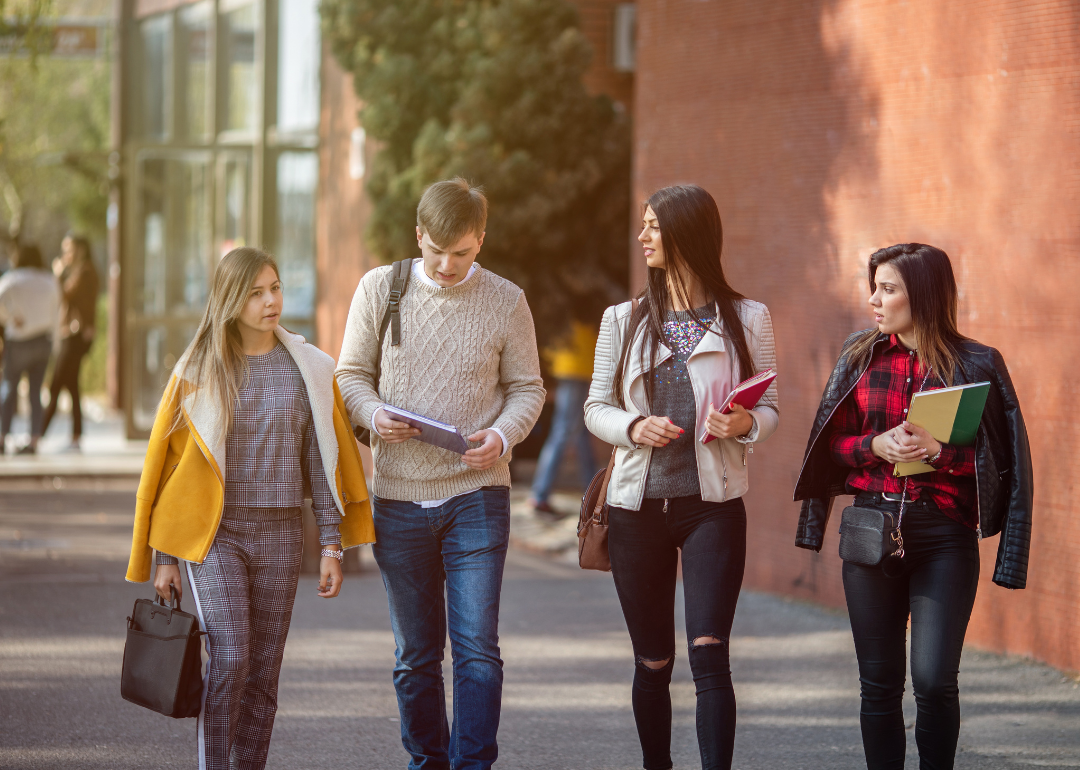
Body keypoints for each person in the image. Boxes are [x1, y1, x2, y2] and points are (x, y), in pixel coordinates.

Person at [126, 247, 374, 770]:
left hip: (281, 534)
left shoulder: (309, 367)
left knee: (263, 673)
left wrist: (331, 543)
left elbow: (322, 463)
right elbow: (171, 470)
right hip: (214, 535)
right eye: (257, 292)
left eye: (276, 288)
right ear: (231, 299)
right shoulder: (198, 369)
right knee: (231, 657)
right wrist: (164, 557)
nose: (271, 301)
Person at [793, 243, 1033, 770]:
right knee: (877, 685)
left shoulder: (977, 362)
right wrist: (873, 446)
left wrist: (939, 452)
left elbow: (1002, 460)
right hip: (870, 531)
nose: (875, 300)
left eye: (888, 288)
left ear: (921, 294)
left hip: (944, 537)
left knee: (933, 681)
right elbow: (827, 446)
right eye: (874, 287)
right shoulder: (859, 355)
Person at [336, 178, 545, 770]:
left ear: (481, 238)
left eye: (463, 252)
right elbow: (351, 376)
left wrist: (501, 436)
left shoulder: (507, 300)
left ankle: (472, 765)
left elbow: (527, 389)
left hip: (477, 494)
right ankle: (426, 761)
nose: (449, 265)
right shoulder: (381, 288)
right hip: (399, 498)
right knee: (415, 657)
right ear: (419, 235)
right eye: (438, 252)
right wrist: (374, 413)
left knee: (477, 650)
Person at [584, 184, 779, 770]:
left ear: (687, 233)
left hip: (711, 507)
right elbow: (596, 406)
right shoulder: (622, 320)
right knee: (652, 662)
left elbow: (769, 410)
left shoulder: (747, 317)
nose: (642, 237)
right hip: (634, 510)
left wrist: (745, 422)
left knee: (710, 655)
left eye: (653, 226)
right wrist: (634, 426)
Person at [528, 316, 600, 516]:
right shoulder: (581, 298)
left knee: (581, 435)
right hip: (576, 367)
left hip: (573, 366)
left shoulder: (564, 299)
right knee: (562, 432)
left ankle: (594, 494)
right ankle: (540, 495)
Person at [41, 234, 99, 450]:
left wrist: (57, 275)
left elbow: (64, 296)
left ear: (80, 250)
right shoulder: (82, 271)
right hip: (73, 335)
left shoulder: (85, 272)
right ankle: (76, 436)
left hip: (75, 336)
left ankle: (37, 435)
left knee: (56, 384)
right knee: (72, 385)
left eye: (69, 249)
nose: (65, 254)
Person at [0, 244, 60, 454]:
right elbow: (57, 314)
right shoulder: (49, 280)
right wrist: (55, 342)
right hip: (43, 341)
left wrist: (9, 318)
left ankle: (2, 437)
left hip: (18, 340)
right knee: (35, 392)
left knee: (9, 388)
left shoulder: (13, 278)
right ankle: (34, 440)